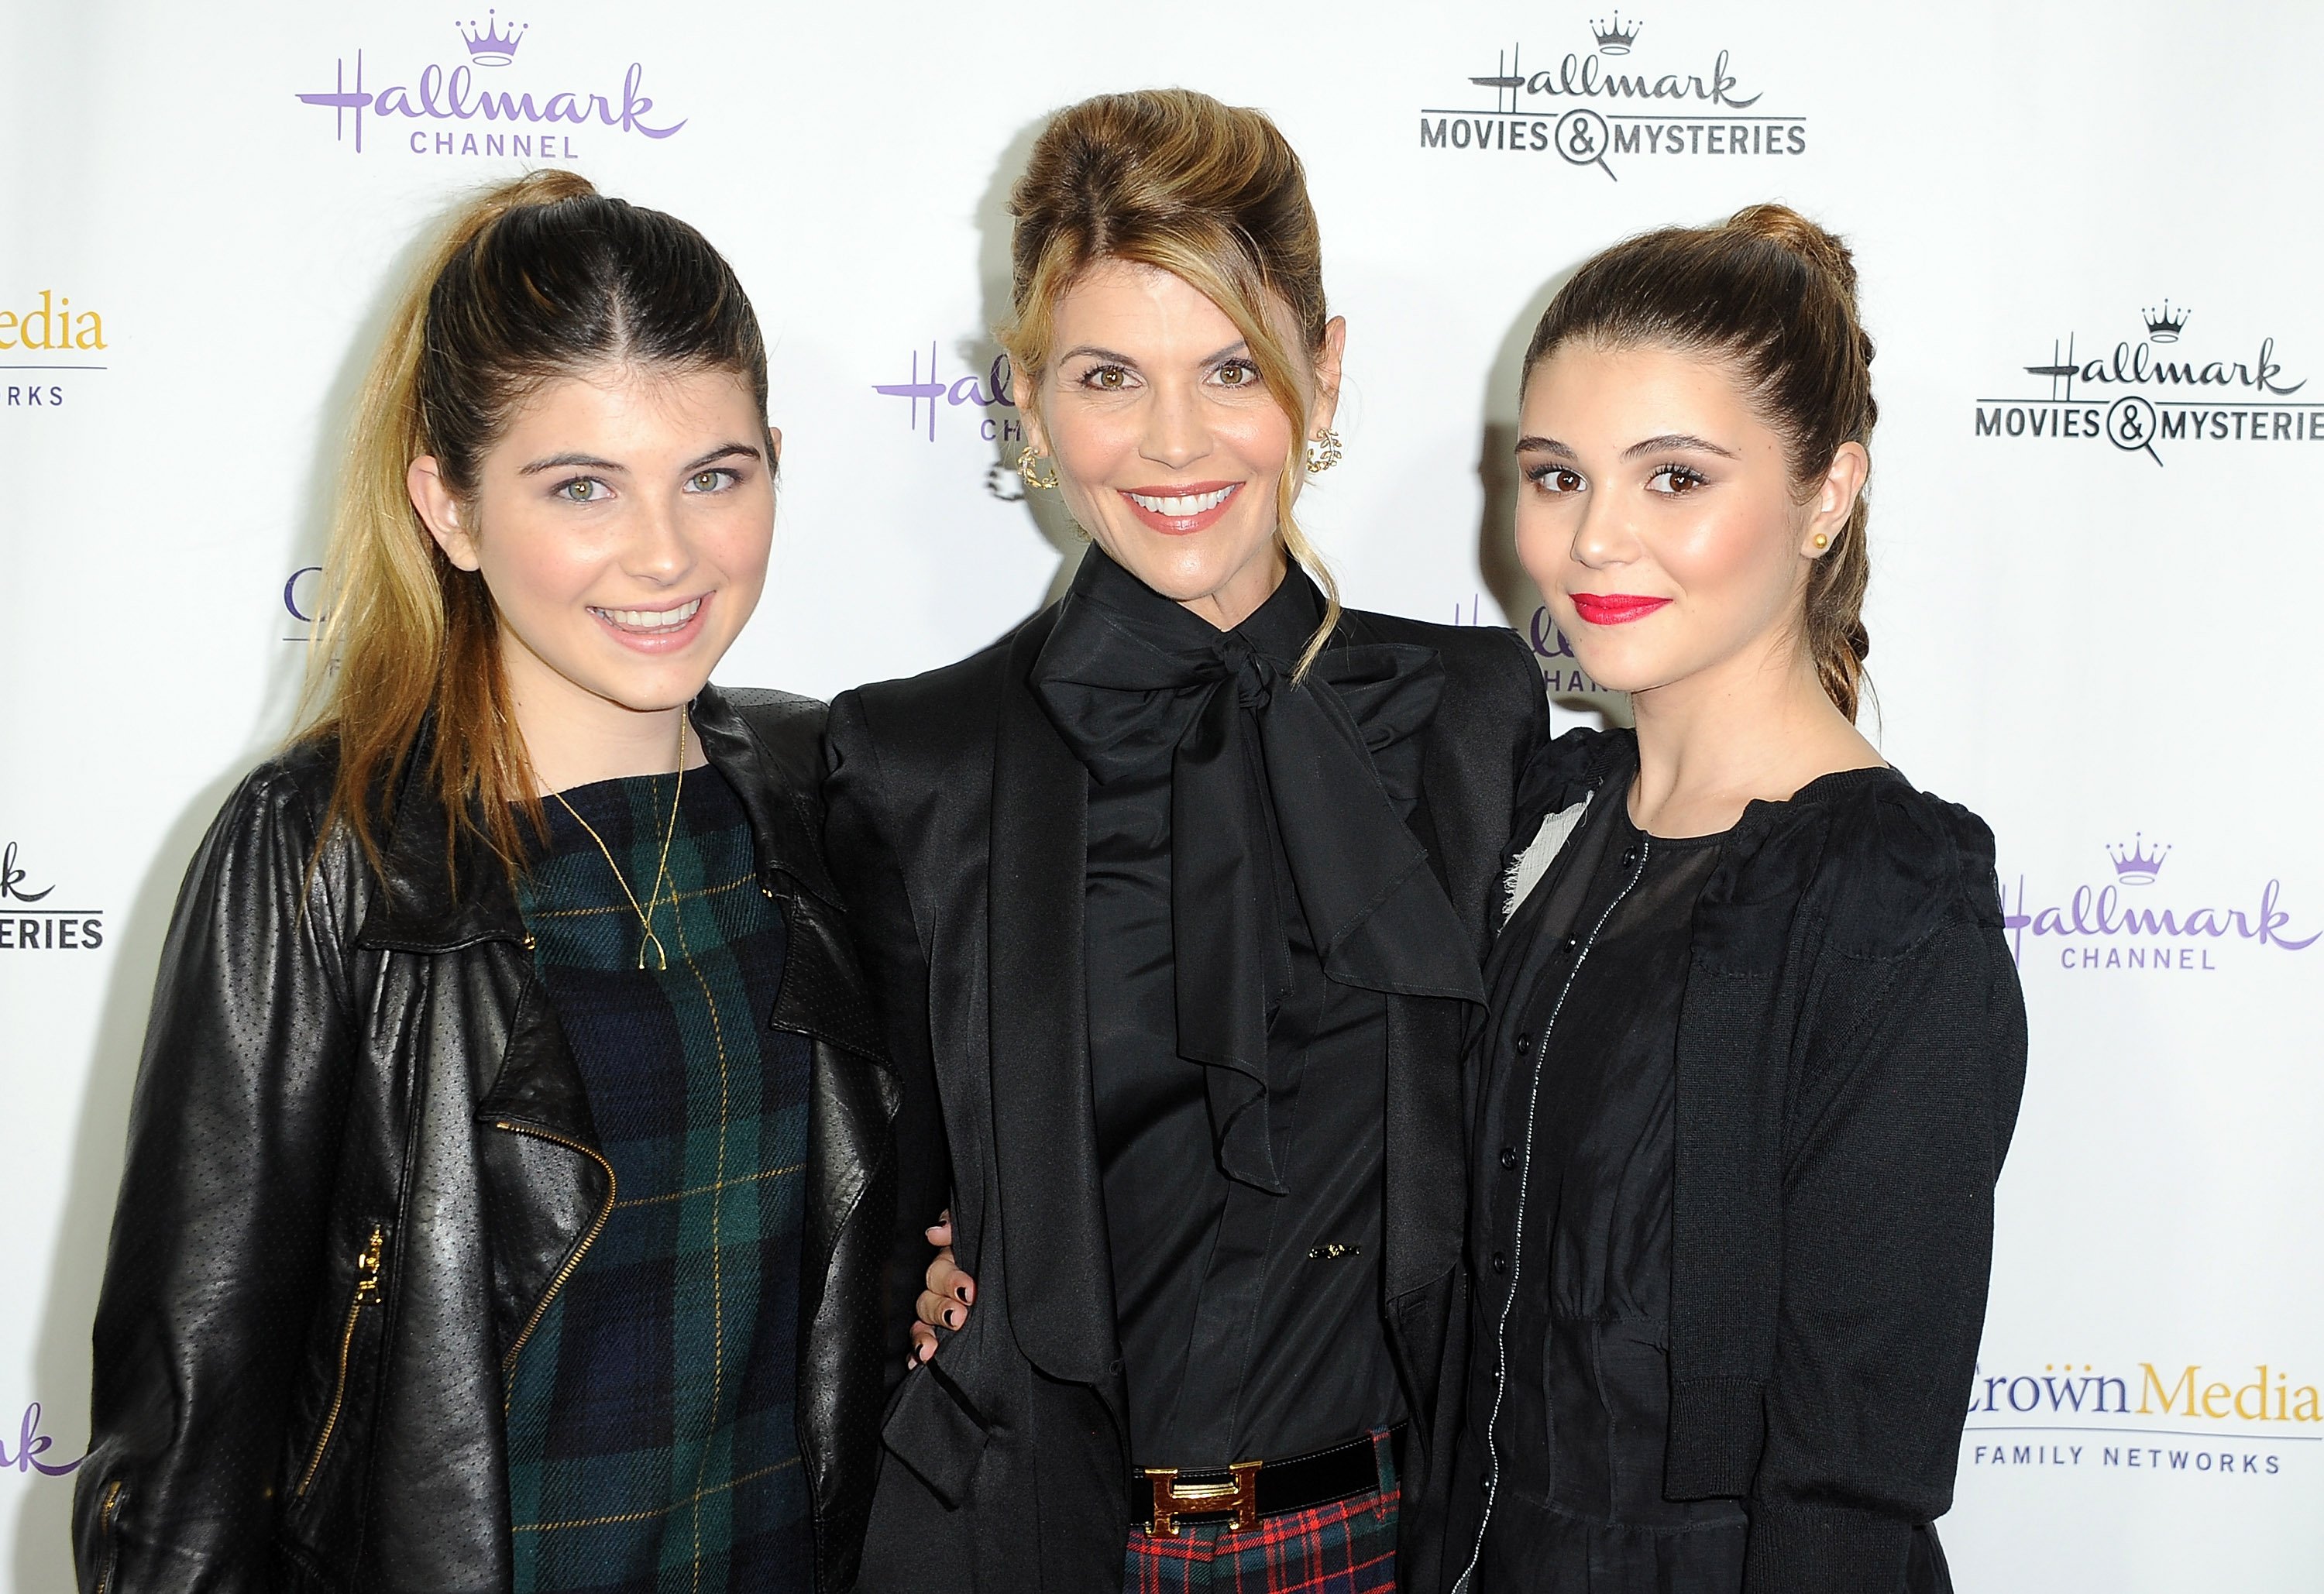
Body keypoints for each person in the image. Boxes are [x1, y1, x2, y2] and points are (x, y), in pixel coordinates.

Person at [72, 171, 894, 1594]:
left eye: (715, 474)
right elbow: (189, 1429)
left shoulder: (825, 791)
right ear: (446, 506)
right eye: (581, 486)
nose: (666, 552)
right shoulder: (316, 852)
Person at [827, 89, 1545, 1593]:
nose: (1173, 440)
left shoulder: (1471, 726)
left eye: (1232, 366)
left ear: (1325, 369)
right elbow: (876, 1204)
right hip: (1035, 1550)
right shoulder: (919, 759)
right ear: (1026, 400)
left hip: (1386, 1544)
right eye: (1106, 374)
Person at [1443, 205, 2027, 1593]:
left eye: (1676, 479)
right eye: (1557, 475)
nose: (1593, 541)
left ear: (1827, 493)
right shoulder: (1549, 809)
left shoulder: (1891, 898)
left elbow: (1849, 1476)